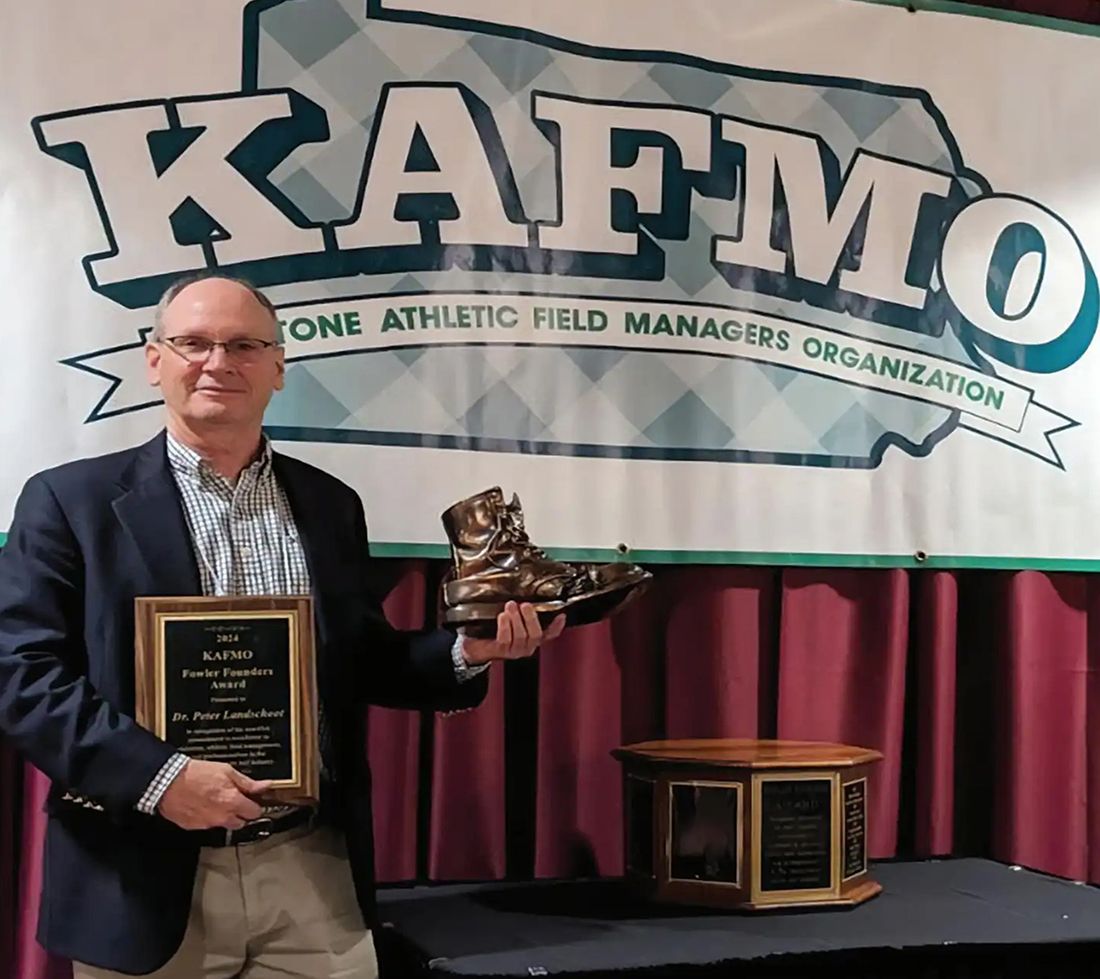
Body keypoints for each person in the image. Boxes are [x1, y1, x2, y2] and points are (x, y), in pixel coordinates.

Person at [0, 271, 565, 979]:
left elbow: (358, 659)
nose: (218, 362)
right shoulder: (67, 501)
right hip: (143, 875)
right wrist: (161, 777)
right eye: (193, 342)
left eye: (243, 344)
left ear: (277, 368)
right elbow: (23, 678)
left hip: (311, 876)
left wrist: (466, 650)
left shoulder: (331, 504)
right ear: (154, 360)